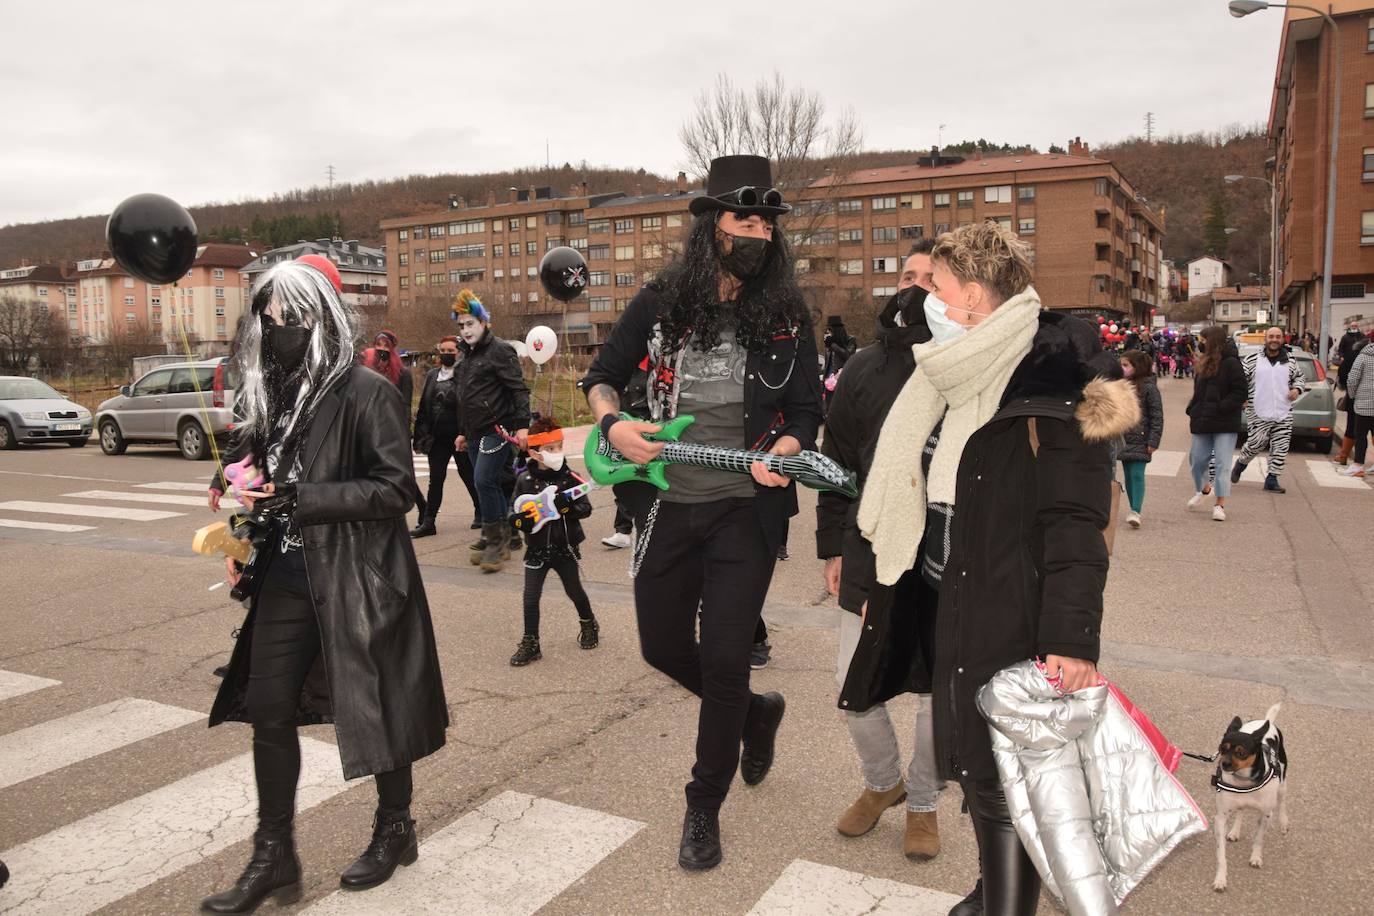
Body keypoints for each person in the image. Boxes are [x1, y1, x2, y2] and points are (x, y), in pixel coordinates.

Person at [857, 222, 1134, 915]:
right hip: (945, 596)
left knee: (1010, 776)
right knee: (983, 770)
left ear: (973, 298)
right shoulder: (951, 375)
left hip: (1011, 610)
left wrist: (1071, 641)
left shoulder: (1053, 387)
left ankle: (1004, 906)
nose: (924, 298)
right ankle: (991, 889)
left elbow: (1075, 527)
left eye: (937, 288)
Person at [580, 155, 823, 871]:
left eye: (765, 224)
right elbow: (601, 378)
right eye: (743, 219)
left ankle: (702, 805)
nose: (756, 232)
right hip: (666, 503)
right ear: (711, 225)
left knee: (722, 658)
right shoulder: (659, 303)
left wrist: (785, 445)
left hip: (746, 511)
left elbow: (807, 409)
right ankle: (756, 711)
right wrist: (611, 425)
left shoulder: (785, 315)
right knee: (661, 648)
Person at [202, 259, 447, 912]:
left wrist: (302, 497)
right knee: (269, 709)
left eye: (292, 316)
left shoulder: (366, 390)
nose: (279, 328)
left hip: (358, 575)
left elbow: (397, 488)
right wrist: (237, 516)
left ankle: (395, 828)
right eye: (270, 317)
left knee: (380, 705)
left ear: (320, 319)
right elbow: (249, 469)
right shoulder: (269, 394)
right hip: (283, 576)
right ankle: (274, 855)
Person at [820, 240, 945, 863]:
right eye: (907, 274)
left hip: (941, 557)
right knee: (853, 681)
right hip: (867, 547)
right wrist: (831, 545)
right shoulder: (863, 367)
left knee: (933, 693)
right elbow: (835, 463)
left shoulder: (964, 363)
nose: (914, 286)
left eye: (930, 277)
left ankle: (922, 802)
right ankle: (883, 782)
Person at [506, 415, 599, 665]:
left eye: (559, 447)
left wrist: (568, 508)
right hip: (536, 550)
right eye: (550, 449)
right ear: (535, 453)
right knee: (530, 597)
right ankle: (531, 642)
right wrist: (518, 521)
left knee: (574, 590)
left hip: (564, 547)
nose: (556, 453)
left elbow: (586, 509)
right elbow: (512, 510)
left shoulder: (572, 479)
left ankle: (589, 622)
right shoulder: (524, 480)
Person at [450, 288, 531, 573]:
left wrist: (522, 426)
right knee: (488, 482)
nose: (466, 329)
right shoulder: (466, 358)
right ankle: (499, 534)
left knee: (484, 480)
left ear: (484, 323)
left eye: (470, 323)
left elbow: (518, 390)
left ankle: (496, 541)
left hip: (498, 429)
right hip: (474, 431)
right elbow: (465, 398)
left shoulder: (500, 350)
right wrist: (462, 431)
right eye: (461, 325)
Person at [410, 335, 482, 537]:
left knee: (468, 475)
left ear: (459, 352)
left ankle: (480, 511)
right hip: (437, 438)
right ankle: (429, 522)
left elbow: (470, 407)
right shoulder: (433, 375)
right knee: (436, 479)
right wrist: (419, 437)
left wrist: (467, 433)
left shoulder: (465, 375)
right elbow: (424, 406)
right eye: (443, 351)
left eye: (451, 351)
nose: (447, 355)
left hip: (460, 436)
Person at [1231, 327, 1304, 493]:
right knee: (1257, 442)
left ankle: (1272, 478)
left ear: (1282, 339)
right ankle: (1241, 464)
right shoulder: (1252, 360)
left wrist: (1297, 389)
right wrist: (1242, 398)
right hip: (1258, 409)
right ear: (1265, 338)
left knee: (1281, 446)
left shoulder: (1290, 361)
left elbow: (1299, 377)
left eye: (1278, 337)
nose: (1274, 339)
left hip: (1283, 411)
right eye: (1271, 336)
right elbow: (1240, 380)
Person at [1186, 326, 1247, 521]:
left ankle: (1220, 504)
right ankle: (1204, 489)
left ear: (1212, 340)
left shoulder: (1232, 363)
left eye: (1203, 339)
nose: (1200, 342)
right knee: (1196, 460)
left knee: (1222, 463)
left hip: (1225, 420)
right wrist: (1192, 408)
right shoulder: (1202, 362)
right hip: (1202, 418)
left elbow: (1240, 392)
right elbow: (1198, 392)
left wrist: (1222, 406)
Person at [1119, 349, 1163, 528]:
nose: (1122, 368)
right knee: (1128, 475)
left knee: (1137, 474)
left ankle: (1136, 510)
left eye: (1125, 365)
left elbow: (1157, 416)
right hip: (1123, 438)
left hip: (1141, 438)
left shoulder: (1149, 388)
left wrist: (1153, 440)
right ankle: (1132, 507)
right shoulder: (1120, 385)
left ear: (1137, 367)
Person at [1334, 327, 1372, 465]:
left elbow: (1346, 376)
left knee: (1354, 429)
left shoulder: (1356, 355)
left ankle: (1345, 456)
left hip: (1357, 399)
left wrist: (1351, 393)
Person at [822, 314, 857, 404]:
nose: (829, 333)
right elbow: (827, 362)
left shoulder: (850, 340)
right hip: (829, 380)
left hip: (843, 378)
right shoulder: (829, 343)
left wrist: (833, 345)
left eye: (830, 330)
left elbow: (848, 355)